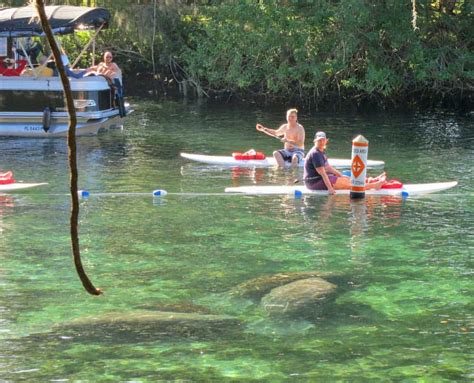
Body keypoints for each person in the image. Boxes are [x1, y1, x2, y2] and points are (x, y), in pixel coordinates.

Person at [304, 131, 386, 194]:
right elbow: (323, 173)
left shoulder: (321, 151)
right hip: (314, 182)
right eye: (319, 140)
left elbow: (328, 167)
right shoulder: (315, 154)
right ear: (315, 141)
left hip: (320, 179)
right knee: (347, 185)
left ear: (326, 141)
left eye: (323, 140)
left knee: (346, 178)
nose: (321, 142)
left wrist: (339, 174)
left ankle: (372, 180)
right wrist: (330, 188)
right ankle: (374, 186)